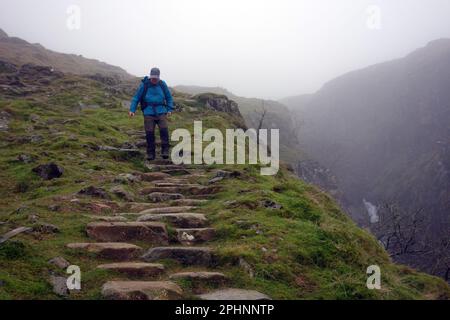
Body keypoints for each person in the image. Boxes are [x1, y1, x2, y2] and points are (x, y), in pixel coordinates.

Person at [129, 67, 174, 160]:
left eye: (156, 78)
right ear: (150, 76)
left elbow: (169, 97)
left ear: (159, 77)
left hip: (161, 111)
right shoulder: (144, 85)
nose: (154, 80)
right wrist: (132, 110)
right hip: (148, 111)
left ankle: (165, 151)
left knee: (164, 130)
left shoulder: (162, 84)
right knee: (149, 133)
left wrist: (169, 109)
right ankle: (150, 154)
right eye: (152, 77)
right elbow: (136, 98)